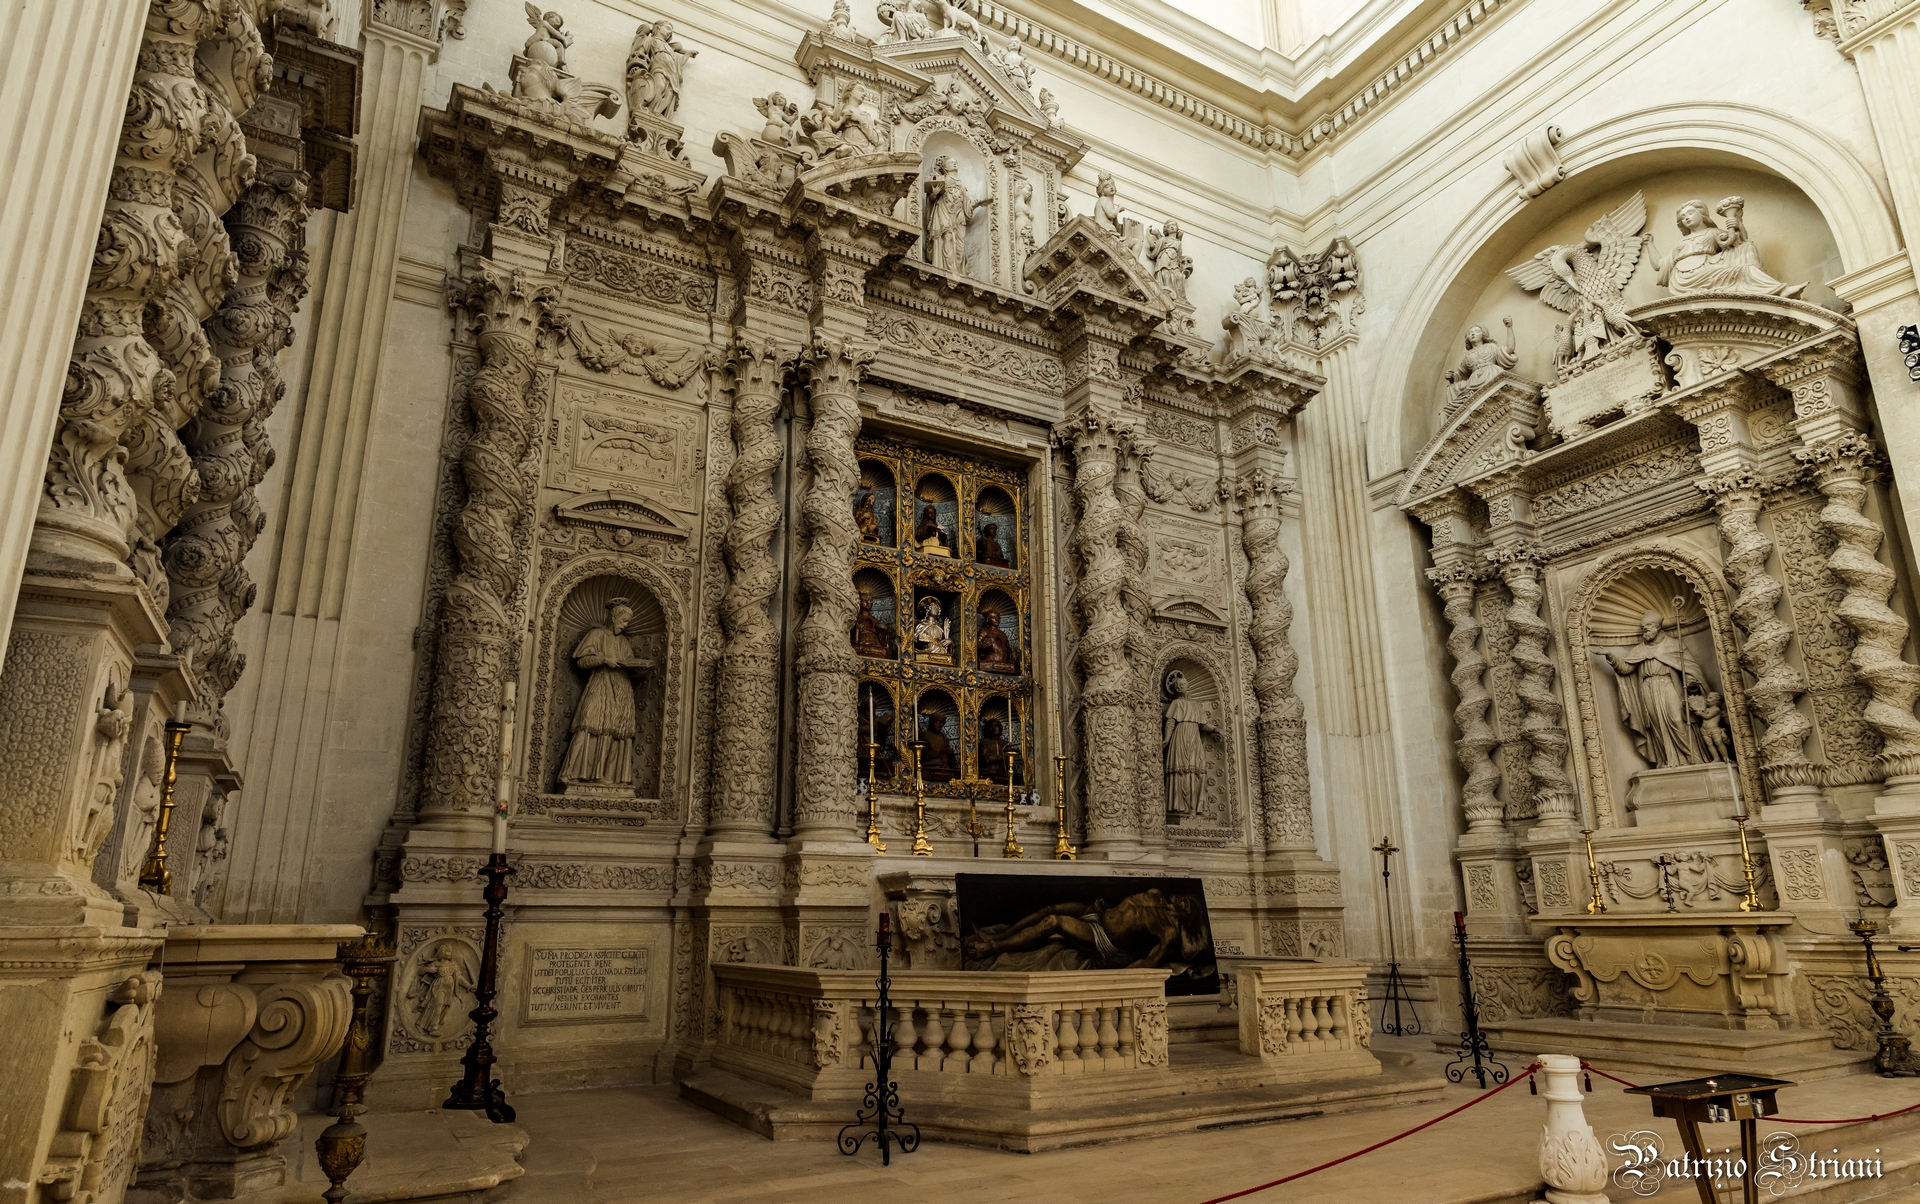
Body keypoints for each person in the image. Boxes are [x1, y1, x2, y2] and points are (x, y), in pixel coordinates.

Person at [559, 598, 654, 787]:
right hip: (601, 684)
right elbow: (581, 661)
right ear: (614, 617)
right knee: (589, 723)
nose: (625, 625)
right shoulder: (596, 635)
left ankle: (609, 777)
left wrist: (639, 668)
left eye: (628, 622)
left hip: (621, 688)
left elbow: (628, 662)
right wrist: (603, 659)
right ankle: (572, 774)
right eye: (624, 621)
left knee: (616, 731)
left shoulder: (623, 642)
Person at [1604, 611, 1704, 769]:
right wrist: (1610, 656)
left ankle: (1694, 757)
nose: (1645, 631)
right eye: (1643, 628)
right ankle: (1666, 761)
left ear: (1658, 627)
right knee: (1656, 724)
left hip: (1668, 684)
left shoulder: (1673, 645)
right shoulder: (1639, 650)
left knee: (1677, 720)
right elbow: (1625, 668)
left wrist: (1691, 680)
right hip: (1648, 688)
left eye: (1648, 627)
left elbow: (1690, 667)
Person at [1655, 197, 1802, 298]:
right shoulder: (1679, 244)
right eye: (1683, 217)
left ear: (1702, 215)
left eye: (1690, 213)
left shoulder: (1712, 233)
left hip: (1709, 271)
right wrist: (1649, 245)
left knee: (1746, 259)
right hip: (1683, 278)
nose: (1686, 218)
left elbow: (1738, 243)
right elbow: (1659, 265)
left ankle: (1779, 291)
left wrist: (1737, 225)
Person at [1162, 670, 1217, 820]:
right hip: (1180, 737)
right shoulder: (1176, 703)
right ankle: (1181, 807)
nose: (1188, 687)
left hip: (1194, 738)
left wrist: (1215, 729)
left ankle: (1197, 806)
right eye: (1184, 685)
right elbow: (1170, 721)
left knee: (1197, 771)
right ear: (1178, 688)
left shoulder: (1196, 705)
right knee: (1182, 771)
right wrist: (1166, 739)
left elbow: (1203, 724)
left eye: (1187, 684)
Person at [925, 154, 989, 275]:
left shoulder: (962, 185)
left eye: (955, 162)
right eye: (951, 163)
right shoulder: (942, 179)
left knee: (959, 244)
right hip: (943, 212)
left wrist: (978, 203)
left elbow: (967, 209)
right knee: (947, 237)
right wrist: (934, 194)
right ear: (945, 167)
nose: (955, 164)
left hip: (958, 217)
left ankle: (958, 270)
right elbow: (931, 200)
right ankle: (944, 267)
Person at [850, 589, 894, 658]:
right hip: (861, 646)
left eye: (870, 601)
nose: (868, 603)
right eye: (865, 601)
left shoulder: (875, 620)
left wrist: (882, 631)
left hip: (875, 646)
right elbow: (855, 639)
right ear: (859, 602)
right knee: (854, 649)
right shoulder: (855, 617)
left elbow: (883, 640)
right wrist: (857, 627)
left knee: (886, 651)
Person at [916, 710, 957, 780]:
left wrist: (951, 754)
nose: (941, 725)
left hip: (944, 768)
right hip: (930, 768)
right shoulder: (924, 736)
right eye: (939, 722)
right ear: (932, 722)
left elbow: (950, 759)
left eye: (942, 723)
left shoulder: (943, 737)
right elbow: (919, 756)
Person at [977, 608, 1017, 673]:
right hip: (990, 660)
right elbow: (976, 644)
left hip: (1003, 661)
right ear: (988, 619)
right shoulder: (984, 632)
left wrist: (1012, 652)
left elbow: (1007, 647)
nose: (996, 619)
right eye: (993, 617)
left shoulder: (1002, 634)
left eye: (997, 617)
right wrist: (983, 646)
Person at [912, 595, 952, 660]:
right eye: (935, 608)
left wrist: (949, 641)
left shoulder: (940, 627)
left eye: (938, 609)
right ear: (928, 609)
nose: (937, 610)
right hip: (927, 650)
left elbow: (945, 642)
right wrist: (925, 638)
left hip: (941, 651)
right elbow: (916, 638)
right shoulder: (922, 625)